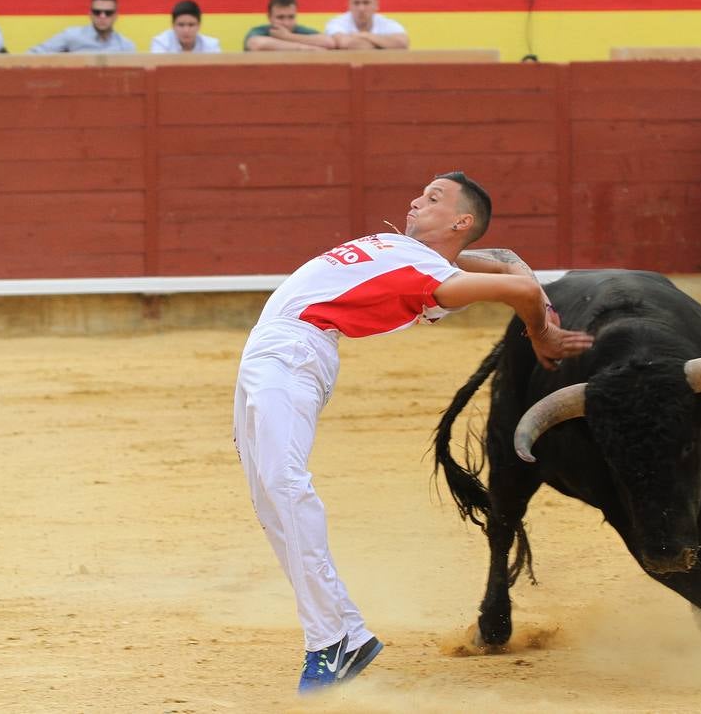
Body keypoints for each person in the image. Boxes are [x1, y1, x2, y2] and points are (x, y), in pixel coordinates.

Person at [232, 171, 593, 694]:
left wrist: (541, 330)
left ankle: (335, 639)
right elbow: (511, 262)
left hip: (293, 351)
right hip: (270, 352)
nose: (415, 201)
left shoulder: (431, 277)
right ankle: (341, 633)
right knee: (271, 500)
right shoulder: (421, 257)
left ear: (460, 220)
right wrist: (539, 297)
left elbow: (515, 287)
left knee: (284, 486)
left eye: (433, 198)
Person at [29, 0, 137, 53]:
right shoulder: (72, 36)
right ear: (90, 14)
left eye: (108, 13)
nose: (102, 16)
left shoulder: (125, 45)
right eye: (97, 12)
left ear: (115, 16)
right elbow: (34, 54)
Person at [325, 0, 409, 49]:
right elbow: (345, 43)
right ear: (349, 5)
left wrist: (365, 35)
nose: (361, 8)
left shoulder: (385, 22)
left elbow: (403, 43)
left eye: (366, 3)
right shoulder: (336, 22)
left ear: (376, 5)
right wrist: (385, 44)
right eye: (356, 3)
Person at [244, 0, 337, 51]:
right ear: (269, 17)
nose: (286, 23)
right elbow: (256, 44)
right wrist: (306, 48)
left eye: (291, 17)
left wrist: (288, 36)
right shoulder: (260, 31)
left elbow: (329, 42)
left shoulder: (301, 31)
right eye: (280, 17)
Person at [150, 0, 222, 52]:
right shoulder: (161, 43)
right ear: (173, 26)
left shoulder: (211, 45)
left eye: (191, 25)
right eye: (181, 25)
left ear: (199, 25)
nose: (186, 30)